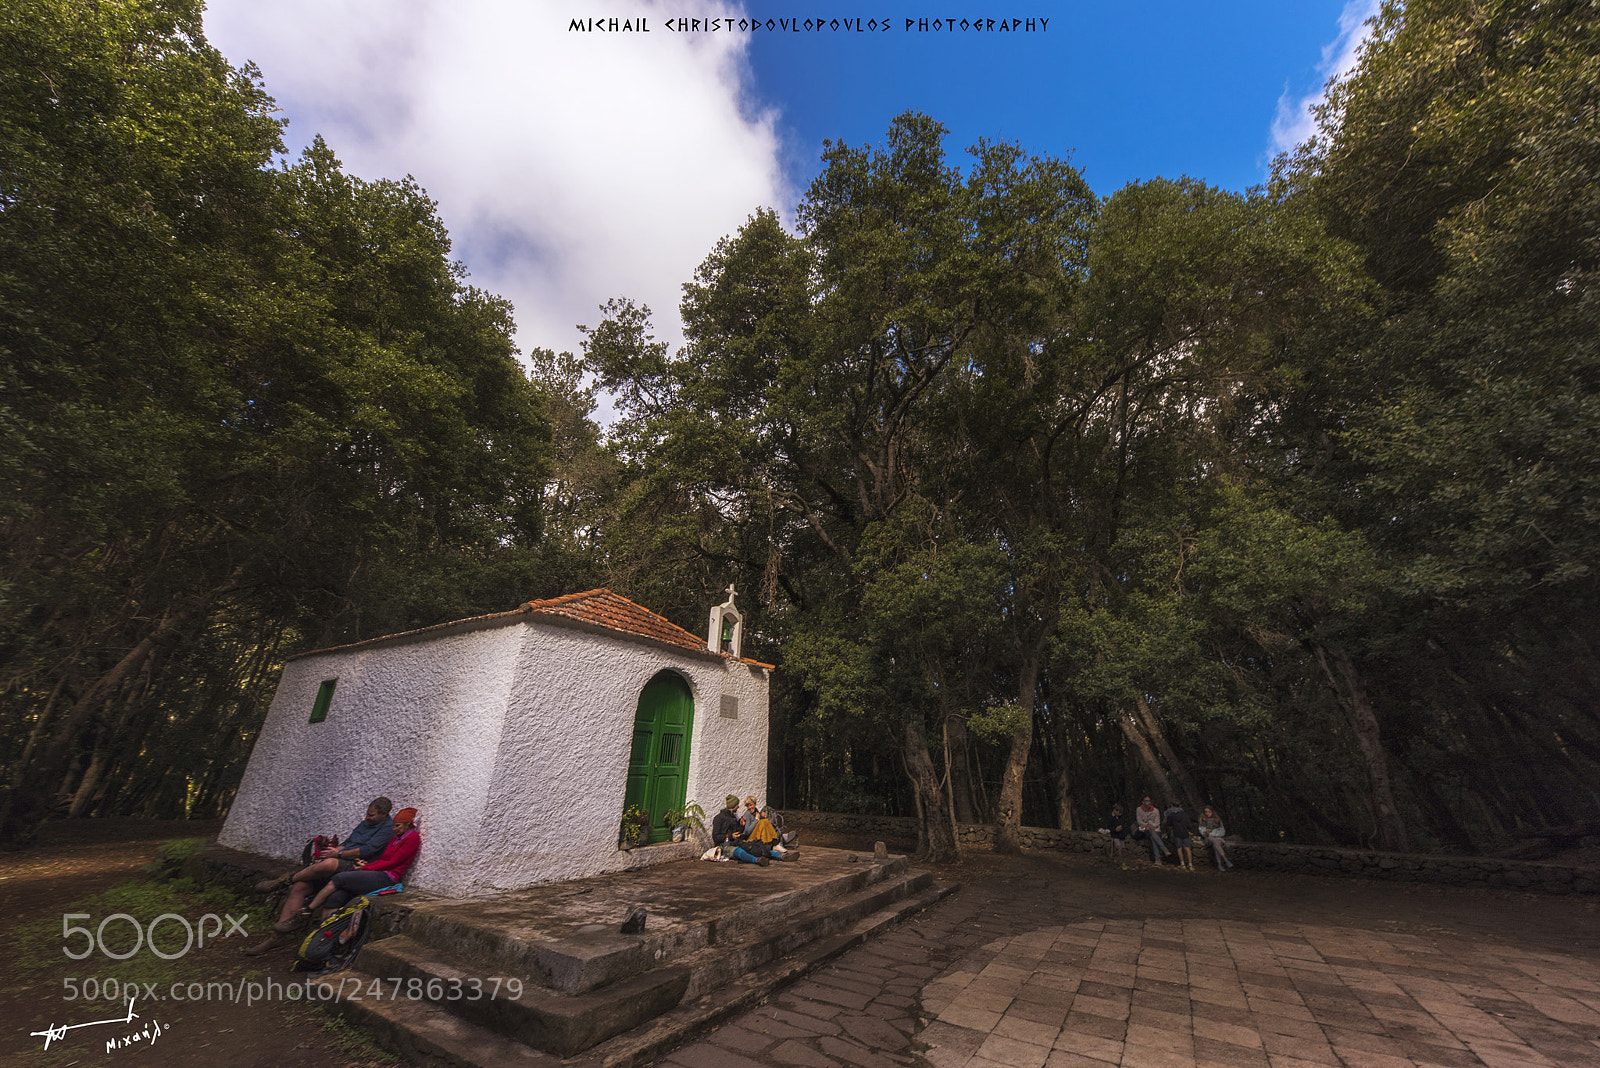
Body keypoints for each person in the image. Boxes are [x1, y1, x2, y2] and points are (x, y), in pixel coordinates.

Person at [246, 798, 394, 953]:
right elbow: (348, 842)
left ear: (383, 814)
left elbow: (367, 851)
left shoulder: (387, 829)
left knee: (328, 864)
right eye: (367, 814)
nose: (367, 818)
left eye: (371, 815)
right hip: (342, 859)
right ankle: (276, 938)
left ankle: (285, 880)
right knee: (300, 886)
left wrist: (338, 853)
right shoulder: (365, 824)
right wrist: (332, 850)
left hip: (357, 865)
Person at [306, 807, 422, 915]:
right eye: (394, 826)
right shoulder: (396, 838)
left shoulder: (412, 838)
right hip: (377, 872)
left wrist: (365, 868)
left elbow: (393, 863)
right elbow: (383, 859)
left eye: (397, 826)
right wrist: (367, 865)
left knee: (340, 878)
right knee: (337, 896)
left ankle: (308, 910)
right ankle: (327, 931)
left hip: (388, 877)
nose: (394, 829)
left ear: (407, 825)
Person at [713, 795, 768, 865]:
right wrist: (730, 836)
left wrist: (741, 825)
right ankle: (756, 860)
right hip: (724, 846)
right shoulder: (719, 818)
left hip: (736, 842)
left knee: (755, 847)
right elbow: (716, 837)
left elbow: (738, 832)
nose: (738, 807)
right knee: (739, 851)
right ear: (733, 805)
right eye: (737, 805)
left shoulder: (733, 817)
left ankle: (780, 856)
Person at [1133, 796, 1168, 864]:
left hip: (1154, 829)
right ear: (1143, 802)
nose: (1148, 802)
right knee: (1152, 833)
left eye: (1149, 801)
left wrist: (1151, 826)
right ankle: (1163, 849)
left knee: (1153, 836)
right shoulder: (1139, 809)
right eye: (1146, 801)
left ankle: (1158, 859)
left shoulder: (1155, 811)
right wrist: (1146, 826)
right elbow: (1139, 821)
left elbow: (1157, 823)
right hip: (1143, 829)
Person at [1199, 805, 1233, 870]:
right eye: (1206, 812)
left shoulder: (1217, 819)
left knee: (1216, 845)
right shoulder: (1203, 820)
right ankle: (1226, 860)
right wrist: (1205, 832)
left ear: (1212, 812)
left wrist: (1215, 833)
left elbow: (1222, 830)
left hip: (1218, 837)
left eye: (1209, 812)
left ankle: (1219, 865)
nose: (1207, 813)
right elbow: (1201, 829)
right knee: (1214, 840)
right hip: (1209, 838)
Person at [1165, 801, 1194, 871]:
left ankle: (1182, 864)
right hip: (1185, 833)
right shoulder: (1185, 815)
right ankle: (1190, 864)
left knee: (1179, 848)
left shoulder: (1171, 815)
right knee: (1187, 848)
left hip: (1177, 833)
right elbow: (1189, 825)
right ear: (1180, 806)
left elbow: (1168, 824)